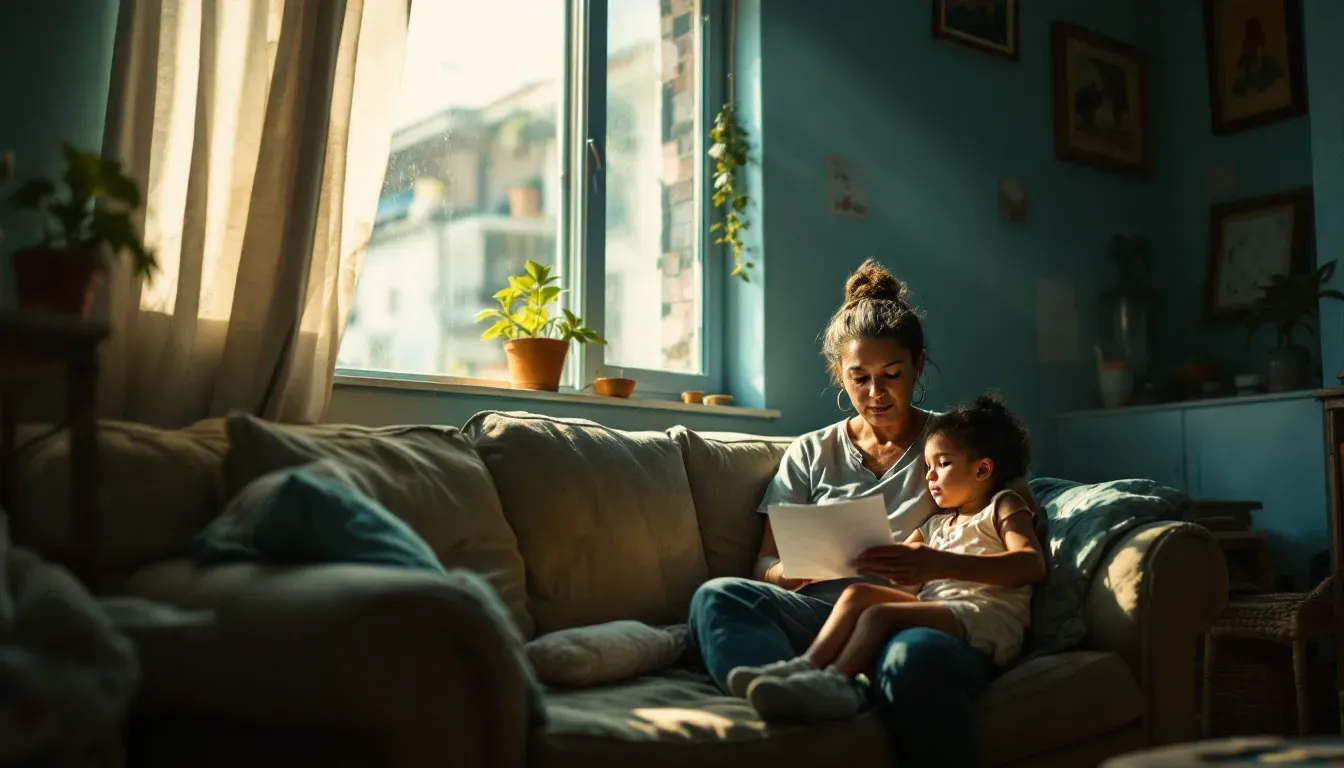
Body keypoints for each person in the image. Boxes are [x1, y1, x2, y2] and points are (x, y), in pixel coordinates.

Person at [687, 259, 1039, 767]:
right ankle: (802, 696)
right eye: (860, 378)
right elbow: (764, 567)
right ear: (839, 374)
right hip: (823, 616)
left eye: (892, 375)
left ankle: (831, 694)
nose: (876, 394)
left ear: (919, 365)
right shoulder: (809, 453)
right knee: (718, 598)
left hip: (919, 619)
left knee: (912, 657)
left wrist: (930, 565)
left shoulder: (956, 445)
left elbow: (1015, 530)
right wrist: (798, 569)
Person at [729, 395, 1045, 722]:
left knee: (879, 616)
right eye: (928, 467)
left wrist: (938, 563)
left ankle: (838, 684)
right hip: (940, 611)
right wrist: (869, 560)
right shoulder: (934, 525)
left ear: (982, 469)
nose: (930, 477)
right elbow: (906, 586)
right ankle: (802, 669)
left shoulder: (1003, 505)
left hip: (985, 618)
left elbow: (1030, 564)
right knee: (857, 594)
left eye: (943, 464)